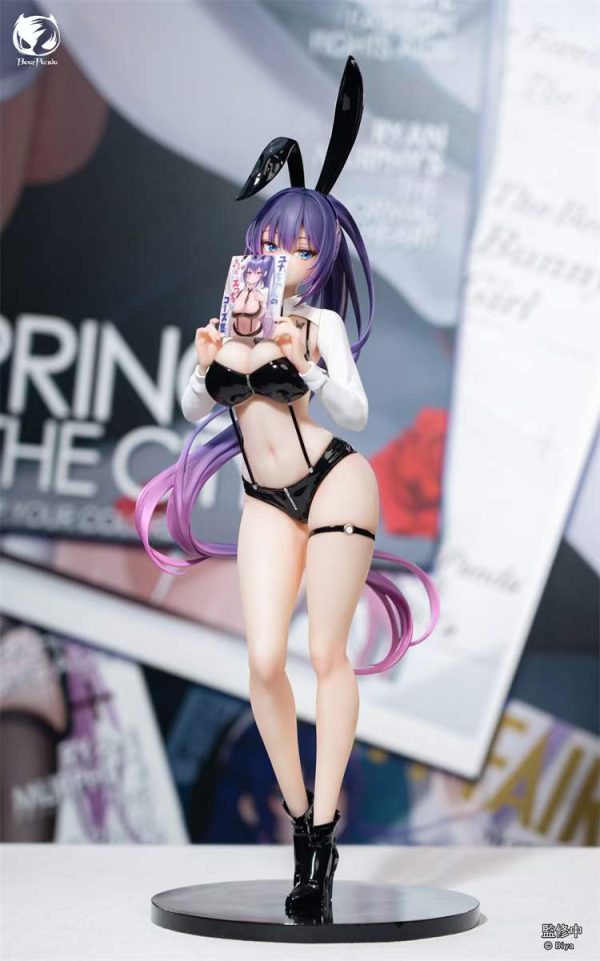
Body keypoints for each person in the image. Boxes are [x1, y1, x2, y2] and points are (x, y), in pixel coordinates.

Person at [135, 57, 439, 921]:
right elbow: (190, 405)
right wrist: (210, 360)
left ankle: (325, 833)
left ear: (325, 252)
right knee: (264, 659)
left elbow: (357, 409)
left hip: (336, 482)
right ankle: (301, 822)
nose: (288, 258)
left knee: (325, 655)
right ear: (257, 244)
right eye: (276, 243)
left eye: (304, 247)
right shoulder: (230, 317)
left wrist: (307, 369)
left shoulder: (320, 323)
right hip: (266, 500)